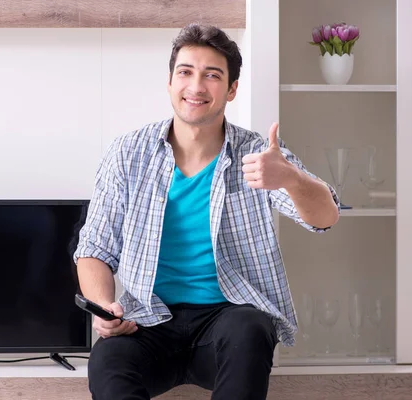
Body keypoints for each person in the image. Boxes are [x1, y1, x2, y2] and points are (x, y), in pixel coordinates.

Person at [73, 22, 340, 400]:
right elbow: (94, 249)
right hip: (147, 320)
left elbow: (326, 217)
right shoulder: (127, 153)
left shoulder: (259, 156)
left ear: (231, 89)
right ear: (169, 82)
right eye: (186, 72)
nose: (196, 87)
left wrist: (292, 179)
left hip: (227, 320)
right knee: (106, 362)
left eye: (212, 76)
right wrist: (105, 307)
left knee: (250, 328)